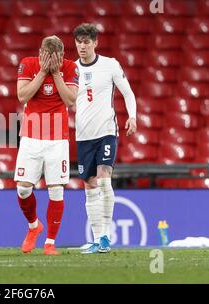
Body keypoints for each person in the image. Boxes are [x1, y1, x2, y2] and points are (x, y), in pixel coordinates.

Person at [73, 23, 137, 254]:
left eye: (87, 42)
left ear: (95, 43)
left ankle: (106, 236)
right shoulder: (71, 70)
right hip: (83, 136)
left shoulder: (110, 65)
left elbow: (127, 92)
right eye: (79, 42)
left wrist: (132, 117)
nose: (82, 46)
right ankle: (97, 237)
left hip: (106, 131)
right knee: (89, 185)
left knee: (103, 179)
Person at [15, 36, 79, 256]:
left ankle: (50, 242)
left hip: (57, 139)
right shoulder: (28, 63)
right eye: (47, 55)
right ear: (40, 52)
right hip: (31, 135)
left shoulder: (70, 67)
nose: (51, 60)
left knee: (56, 189)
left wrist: (57, 74)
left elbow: (71, 100)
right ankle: (34, 226)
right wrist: (43, 72)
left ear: (62, 55)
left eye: (56, 57)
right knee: (23, 188)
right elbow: (22, 95)